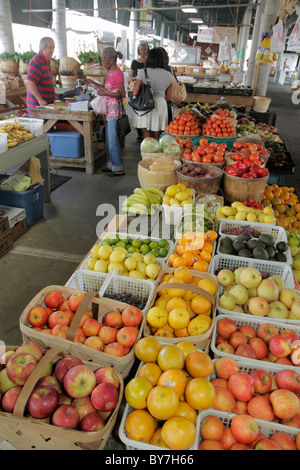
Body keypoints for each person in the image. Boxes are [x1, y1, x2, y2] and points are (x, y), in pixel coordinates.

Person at [84, 47, 126, 176]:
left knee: (113, 141)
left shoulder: (117, 73)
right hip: (108, 112)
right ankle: (111, 166)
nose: (103, 63)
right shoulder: (110, 73)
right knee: (108, 141)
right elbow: (106, 87)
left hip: (114, 112)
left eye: (104, 60)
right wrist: (93, 83)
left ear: (111, 60)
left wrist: (106, 93)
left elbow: (122, 93)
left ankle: (118, 168)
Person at [131, 47, 173, 141]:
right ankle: (157, 153)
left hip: (145, 104)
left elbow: (135, 92)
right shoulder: (168, 75)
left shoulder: (143, 72)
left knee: (146, 133)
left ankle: (147, 153)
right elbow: (169, 97)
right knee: (157, 133)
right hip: (160, 105)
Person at [25, 37, 56, 116]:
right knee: (40, 127)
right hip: (37, 107)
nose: (52, 50)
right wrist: (40, 100)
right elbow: (29, 82)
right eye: (50, 47)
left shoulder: (46, 60)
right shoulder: (37, 61)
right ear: (43, 48)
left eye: (53, 47)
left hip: (46, 106)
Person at [129, 42, 149, 142]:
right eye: (141, 49)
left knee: (146, 110)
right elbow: (130, 76)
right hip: (137, 89)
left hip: (147, 91)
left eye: (145, 49)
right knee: (138, 110)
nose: (143, 51)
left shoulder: (149, 62)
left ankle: (146, 133)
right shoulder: (135, 62)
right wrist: (138, 78)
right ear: (138, 50)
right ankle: (139, 133)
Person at [160, 47, 178, 124]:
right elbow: (175, 82)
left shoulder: (153, 69)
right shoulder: (170, 69)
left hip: (157, 102)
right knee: (166, 125)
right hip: (167, 102)